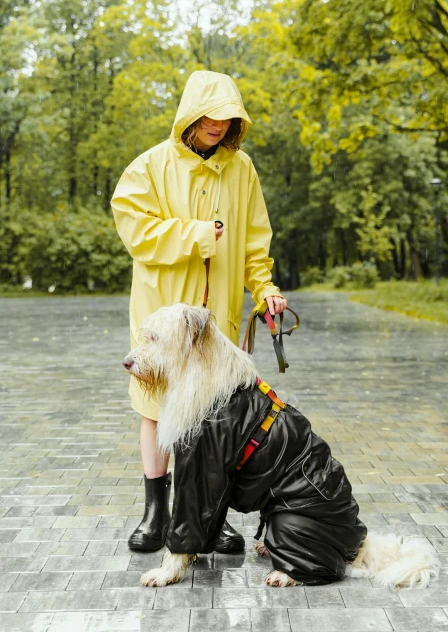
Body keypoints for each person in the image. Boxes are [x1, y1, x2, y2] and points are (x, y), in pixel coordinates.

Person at [111, 70, 287, 553]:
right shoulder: (148, 168)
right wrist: (195, 235)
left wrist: (265, 288)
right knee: (155, 406)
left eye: (228, 117)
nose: (218, 124)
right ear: (191, 113)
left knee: (217, 414)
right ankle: (157, 512)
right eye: (210, 115)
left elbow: (254, 241)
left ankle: (212, 514)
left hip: (218, 318)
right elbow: (136, 232)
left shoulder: (242, 169)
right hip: (163, 317)